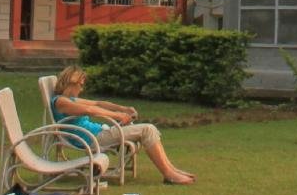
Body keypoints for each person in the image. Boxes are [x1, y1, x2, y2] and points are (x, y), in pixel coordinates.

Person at [50, 65, 197, 185]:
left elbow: (97, 103)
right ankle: (169, 174)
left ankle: (171, 170)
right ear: (72, 83)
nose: (81, 89)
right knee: (147, 129)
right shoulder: (61, 102)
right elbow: (90, 110)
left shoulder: (70, 99)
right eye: (80, 85)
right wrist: (117, 116)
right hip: (93, 139)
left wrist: (122, 109)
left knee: (148, 129)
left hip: (98, 134)